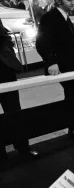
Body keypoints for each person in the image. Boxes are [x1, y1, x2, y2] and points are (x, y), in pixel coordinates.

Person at [36, 0, 74, 139]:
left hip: (72, 65)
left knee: (71, 96)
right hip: (61, 66)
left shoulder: (64, 16)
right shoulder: (49, 17)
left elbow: (73, 42)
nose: (73, 2)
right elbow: (42, 43)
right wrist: (51, 61)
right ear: (58, 1)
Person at [0, 18, 39, 163]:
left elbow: (4, 35)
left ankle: (23, 147)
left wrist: (7, 50)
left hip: (3, 67)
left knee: (14, 110)